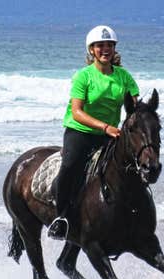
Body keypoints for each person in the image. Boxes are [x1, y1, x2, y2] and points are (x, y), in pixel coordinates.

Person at [47, 25, 140, 240]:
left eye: (109, 45)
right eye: (100, 46)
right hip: (80, 132)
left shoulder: (124, 77)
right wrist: (105, 127)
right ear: (91, 50)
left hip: (110, 134)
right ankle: (61, 218)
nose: (105, 49)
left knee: (132, 166)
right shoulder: (83, 77)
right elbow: (77, 112)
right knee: (70, 166)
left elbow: (133, 109)